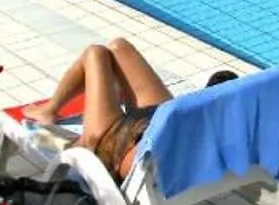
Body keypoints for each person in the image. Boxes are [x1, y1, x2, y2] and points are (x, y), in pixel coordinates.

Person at [42, 38, 236, 179]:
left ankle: (51, 113)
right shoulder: (215, 135)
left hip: (113, 142)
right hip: (161, 120)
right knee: (119, 47)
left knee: (96, 53)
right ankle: (52, 109)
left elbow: (130, 165)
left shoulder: (164, 158)